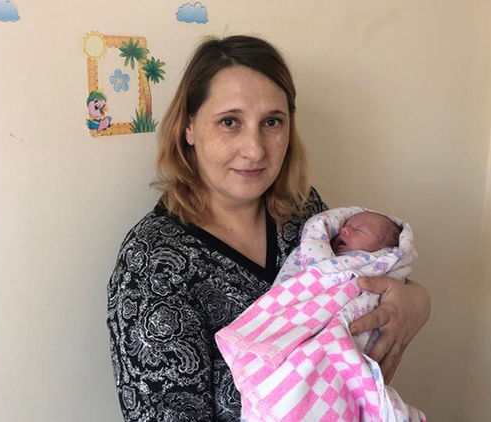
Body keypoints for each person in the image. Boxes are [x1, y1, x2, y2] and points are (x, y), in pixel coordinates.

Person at [106, 35, 431, 422]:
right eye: (230, 122)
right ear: (189, 127)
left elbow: (361, 277)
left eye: (272, 122)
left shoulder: (305, 215)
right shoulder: (153, 266)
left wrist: (416, 300)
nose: (255, 149)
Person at [215, 207, 426, 421]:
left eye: (358, 230)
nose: (343, 231)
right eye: (345, 227)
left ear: (387, 251)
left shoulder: (302, 207)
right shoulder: (320, 250)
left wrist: (418, 300)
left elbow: (398, 285)